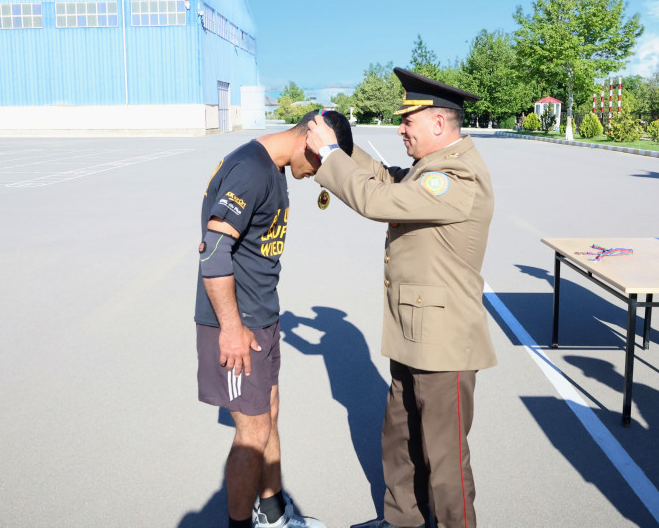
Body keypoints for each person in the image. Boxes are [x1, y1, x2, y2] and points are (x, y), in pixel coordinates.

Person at [306, 68, 496, 528]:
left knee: (445, 460)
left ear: (437, 123)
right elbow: (387, 178)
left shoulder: (456, 176)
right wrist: (342, 144)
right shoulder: (429, 170)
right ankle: (402, 521)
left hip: (444, 343)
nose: (400, 128)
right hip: (415, 335)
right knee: (400, 438)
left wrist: (330, 155)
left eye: (408, 121)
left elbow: (378, 202)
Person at [196, 109, 353, 528]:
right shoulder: (250, 168)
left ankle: (273, 516)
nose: (318, 173)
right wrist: (231, 328)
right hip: (238, 324)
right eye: (321, 159)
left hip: (261, 317)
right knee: (252, 434)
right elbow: (213, 251)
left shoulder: (274, 167)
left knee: (268, 416)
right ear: (308, 139)